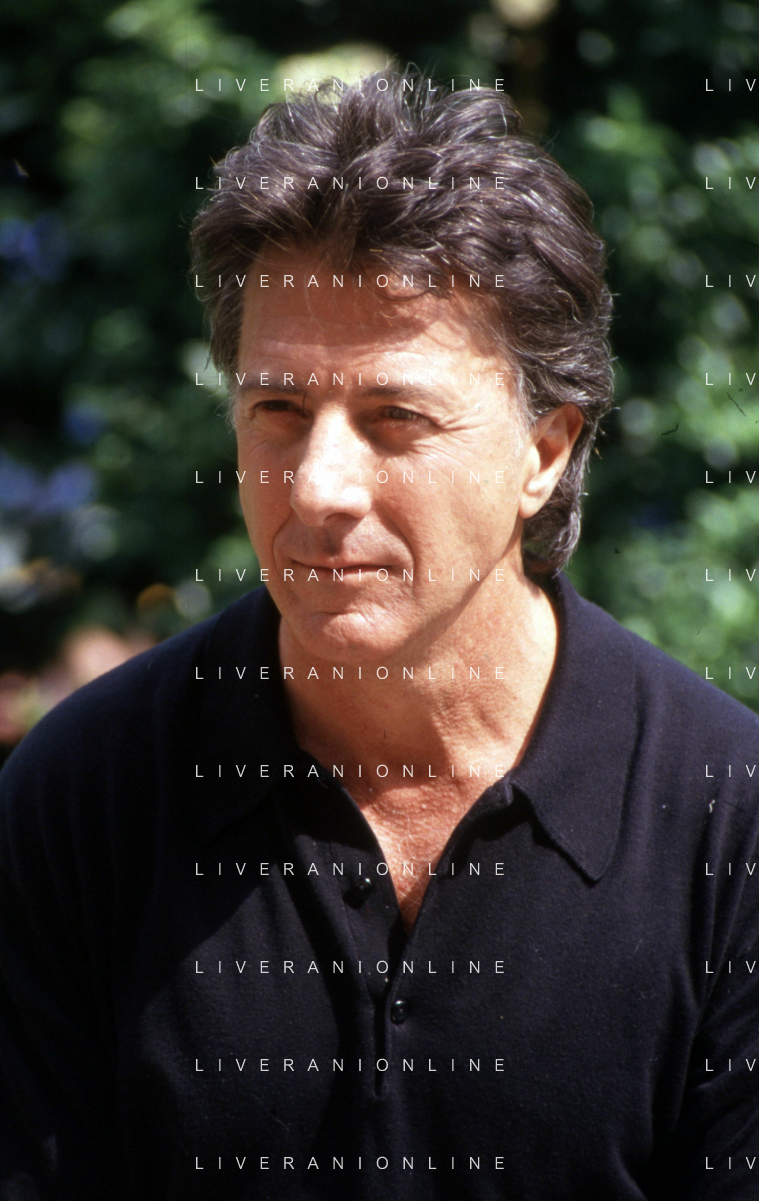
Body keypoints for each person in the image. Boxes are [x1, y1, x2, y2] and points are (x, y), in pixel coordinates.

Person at [1, 71, 757, 1201]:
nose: (318, 487)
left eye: (394, 417)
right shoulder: (85, 797)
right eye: (277, 411)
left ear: (544, 452)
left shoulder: (723, 820)